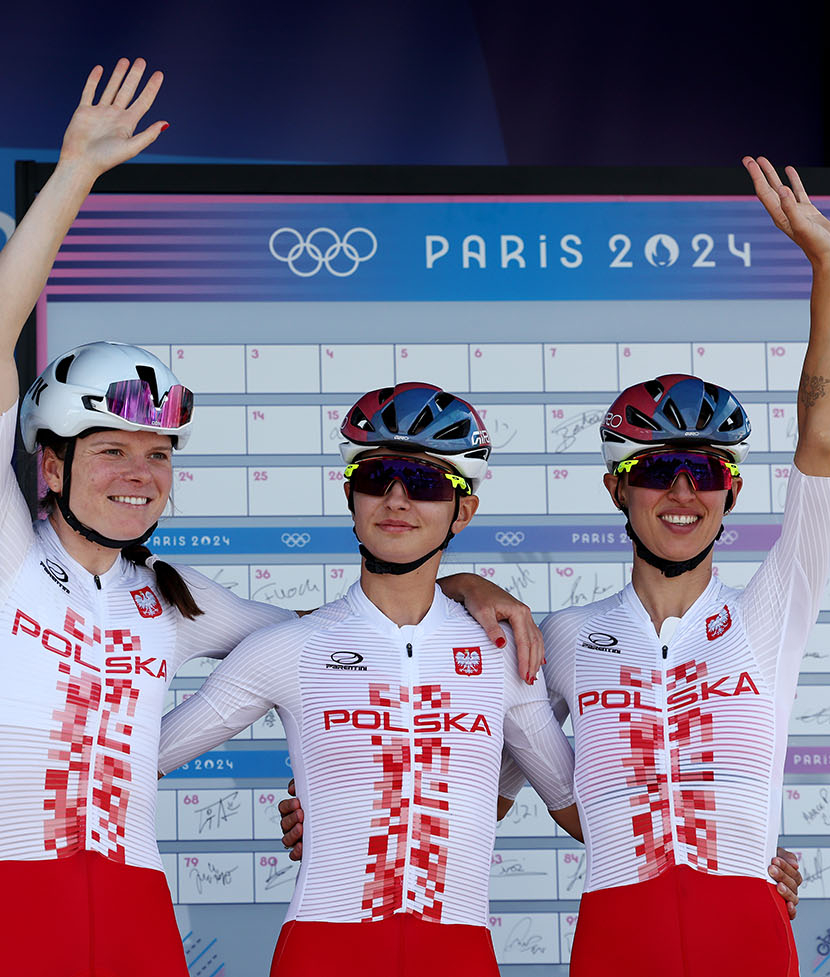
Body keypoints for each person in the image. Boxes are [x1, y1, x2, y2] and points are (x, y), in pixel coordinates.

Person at [0, 60, 540, 977]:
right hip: (11, 907)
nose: (140, 474)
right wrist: (76, 173)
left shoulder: (171, 600)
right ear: (54, 464)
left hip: (142, 911)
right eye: (112, 450)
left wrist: (460, 582)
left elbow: (355, 637)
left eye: (158, 455)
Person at [496, 156, 830, 976]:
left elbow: (823, 442)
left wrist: (828, 263)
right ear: (618, 487)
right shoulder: (569, 635)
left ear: (731, 490)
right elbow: (476, 768)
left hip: (746, 928)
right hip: (618, 930)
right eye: (657, 470)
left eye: (708, 471)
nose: (683, 492)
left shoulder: (772, 608)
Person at [153, 382, 580, 977]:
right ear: (351, 496)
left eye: (427, 483)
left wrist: (747, 846)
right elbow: (132, 761)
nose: (398, 501)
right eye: (378, 480)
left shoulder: (501, 653)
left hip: (459, 955)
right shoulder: (287, 647)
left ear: (465, 509)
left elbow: (584, 812)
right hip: (324, 953)